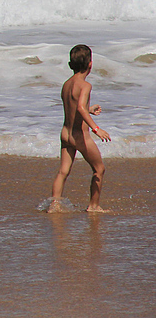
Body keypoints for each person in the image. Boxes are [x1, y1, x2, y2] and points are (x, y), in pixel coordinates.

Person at [49, 44, 111, 213]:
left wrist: (89, 110)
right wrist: (96, 129)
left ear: (71, 65)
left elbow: (73, 106)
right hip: (79, 136)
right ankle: (94, 206)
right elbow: (80, 108)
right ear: (90, 64)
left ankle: (54, 206)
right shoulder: (85, 85)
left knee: (63, 172)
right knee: (99, 169)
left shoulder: (66, 84)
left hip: (66, 133)